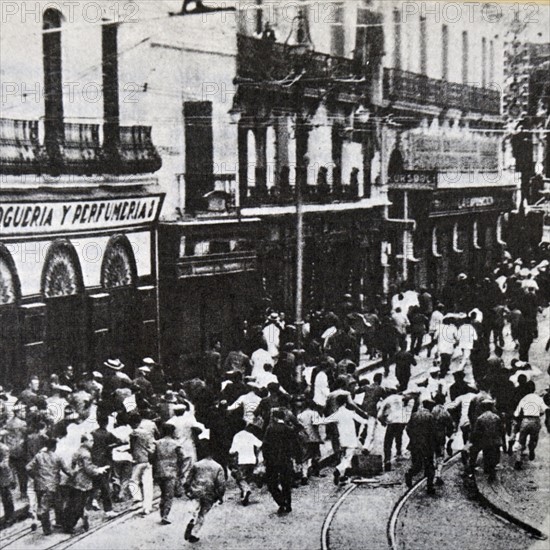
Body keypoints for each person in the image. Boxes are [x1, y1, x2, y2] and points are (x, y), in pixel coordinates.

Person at [63, 434, 109, 533]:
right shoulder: (86, 454)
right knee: (79, 504)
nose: (92, 443)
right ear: (84, 441)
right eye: (91, 441)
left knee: (73, 503)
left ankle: (69, 523)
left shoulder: (78, 451)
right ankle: (70, 525)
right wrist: (98, 470)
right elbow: (88, 469)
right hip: (82, 482)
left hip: (74, 480)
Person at [26, 438, 71, 534]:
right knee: (58, 504)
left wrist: (35, 477)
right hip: (53, 485)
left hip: (40, 485)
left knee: (43, 506)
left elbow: (28, 467)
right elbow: (66, 470)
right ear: (54, 446)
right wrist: (74, 475)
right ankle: (58, 523)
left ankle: (46, 528)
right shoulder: (57, 457)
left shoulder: (38, 456)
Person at [320, 394, 368, 484]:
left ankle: (345, 475)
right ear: (345, 403)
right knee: (348, 457)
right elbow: (363, 421)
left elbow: (324, 421)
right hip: (351, 439)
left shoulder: (337, 414)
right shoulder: (350, 413)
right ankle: (338, 470)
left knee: (344, 457)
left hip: (342, 439)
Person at [184, 441, 226, 543]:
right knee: (202, 514)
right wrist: (220, 496)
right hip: (209, 493)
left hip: (196, 490)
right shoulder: (218, 467)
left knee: (194, 509)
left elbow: (188, 480)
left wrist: (187, 490)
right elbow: (221, 484)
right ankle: (194, 533)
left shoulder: (196, 465)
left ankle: (191, 520)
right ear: (213, 454)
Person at [262, 408, 300, 514]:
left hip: (272, 461)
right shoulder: (289, 429)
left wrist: (265, 459)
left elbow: (265, 446)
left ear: (274, 417)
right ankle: (288, 503)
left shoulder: (270, 429)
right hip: (286, 460)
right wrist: (298, 459)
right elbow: (296, 445)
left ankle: (281, 502)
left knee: (272, 484)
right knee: (286, 483)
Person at [91, 415, 122, 518]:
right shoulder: (108, 434)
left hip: (94, 460)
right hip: (105, 461)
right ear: (107, 423)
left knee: (95, 482)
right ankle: (108, 510)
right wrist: (109, 447)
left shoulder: (93, 433)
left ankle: (93, 500)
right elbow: (120, 442)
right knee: (105, 486)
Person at [512, 382, 548, 469]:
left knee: (521, 441)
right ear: (534, 389)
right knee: (534, 438)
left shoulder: (524, 399)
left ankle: (518, 461)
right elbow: (545, 409)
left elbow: (516, 413)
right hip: (535, 420)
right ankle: (532, 449)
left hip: (525, 420)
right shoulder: (538, 398)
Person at [153, 423, 184, 525]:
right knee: (169, 495)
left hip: (159, 470)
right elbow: (181, 458)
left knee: (163, 493)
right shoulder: (176, 444)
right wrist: (180, 471)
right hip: (171, 470)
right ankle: (165, 515)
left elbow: (152, 456)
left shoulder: (157, 443)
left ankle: (162, 513)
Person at [378, 390, 415, 471]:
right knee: (399, 436)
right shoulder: (401, 397)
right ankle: (399, 453)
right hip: (402, 421)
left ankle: (387, 460)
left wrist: (383, 421)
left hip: (392, 422)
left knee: (388, 441)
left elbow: (379, 415)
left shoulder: (387, 399)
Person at [405, 399, 437, 495]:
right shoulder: (430, 416)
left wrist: (413, 438)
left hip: (414, 444)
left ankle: (410, 473)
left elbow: (408, 428)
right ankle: (430, 486)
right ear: (430, 407)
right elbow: (433, 432)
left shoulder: (414, 415)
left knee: (417, 464)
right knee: (429, 466)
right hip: (427, 445)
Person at [469, 399, 504, 482]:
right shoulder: (496, 417)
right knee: (495, 456)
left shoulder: (480, 418)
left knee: (487, 455)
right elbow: (502, 430)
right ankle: (492, 472)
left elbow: (476, 432)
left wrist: (473, 441)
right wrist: (503, 442)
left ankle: (487, 470)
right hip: (495, 441)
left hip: (485, 441)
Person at [128, 413, 155, 515]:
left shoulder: (133, 434)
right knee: (148, 484)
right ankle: (147, 507)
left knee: (133, 482)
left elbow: (131, 448)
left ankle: (137, 499)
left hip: (138, 461)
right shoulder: (147, 433)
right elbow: (152, 448)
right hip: (147, 460)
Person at [229, 425, 262, 505]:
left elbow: (232, 451)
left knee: (238, 477)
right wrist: (257, 453)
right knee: (247, 478)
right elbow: (260, 444)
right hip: (252, 460)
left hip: (241, 460)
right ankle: (244, 497)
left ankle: (246, 490)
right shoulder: (250, 435)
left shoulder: (237, 436)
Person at [0, 440, 14, 525]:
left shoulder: (4, 448)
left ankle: (10, 517)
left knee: (6, 496)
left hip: (4, 476)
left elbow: (5, 463)